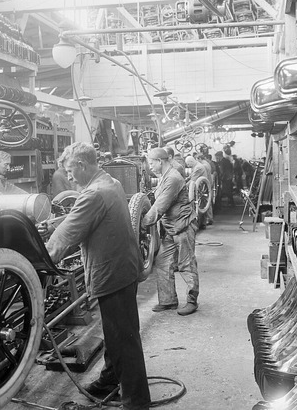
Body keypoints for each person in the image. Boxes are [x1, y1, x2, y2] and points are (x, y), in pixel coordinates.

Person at [44, 142, 151, 410]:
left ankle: (136, 403)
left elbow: (66, 235)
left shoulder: (93, 194)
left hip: (112, 274)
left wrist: (39, 261)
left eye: (70, 171)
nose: (68, 178)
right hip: (124, 268)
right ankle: (109, 380)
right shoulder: (111, 181)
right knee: (117, 333)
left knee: (124, 340)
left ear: (81, 165)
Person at [142, 147, 200, 316]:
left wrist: (141, 224)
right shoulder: (164, 177)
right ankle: (168, 301)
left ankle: (192, 301)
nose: (150, 167)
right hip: (171, 229)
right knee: (162, 262)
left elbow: (160, 206)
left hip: (183, 227)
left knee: (186, 264)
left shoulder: (173, 178)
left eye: (152, 163)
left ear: (160, 161)